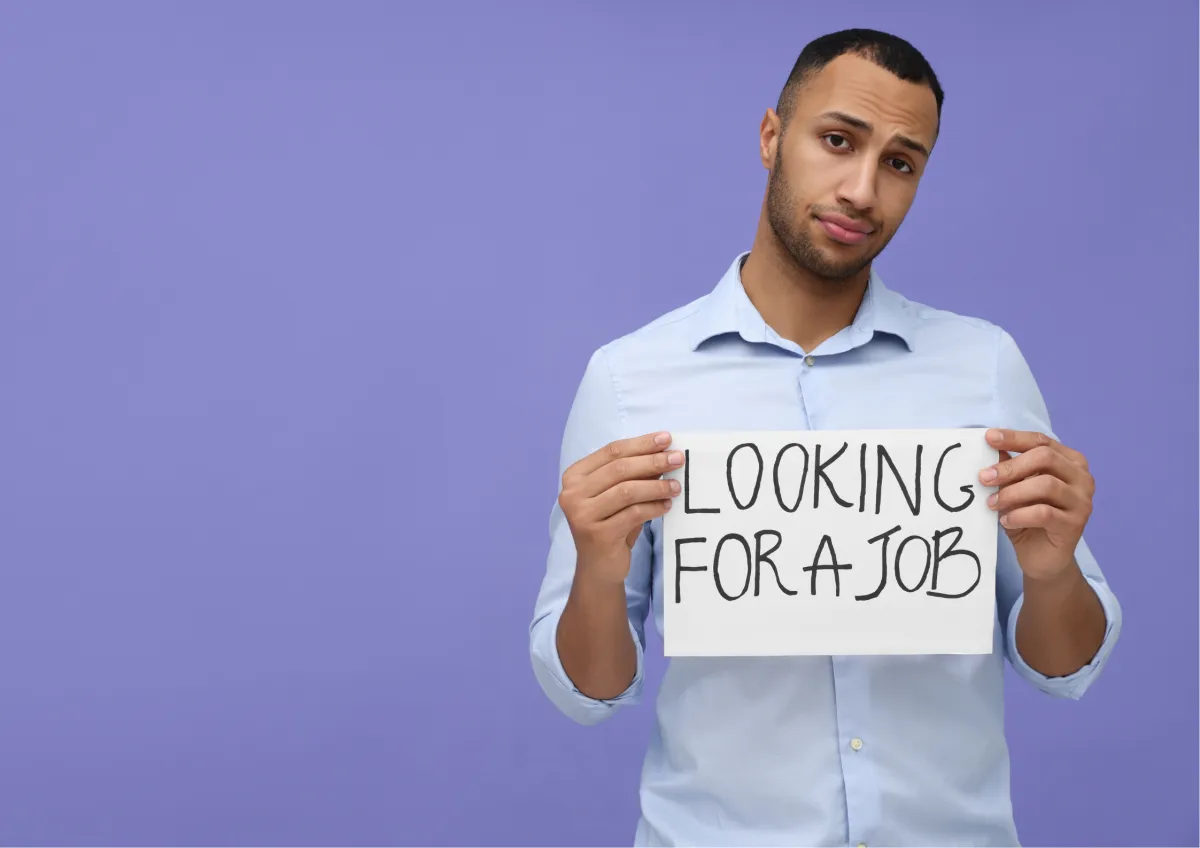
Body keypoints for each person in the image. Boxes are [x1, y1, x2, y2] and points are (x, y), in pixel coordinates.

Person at [527, 28, 1121, 848]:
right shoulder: (630, 380)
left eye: (901, 162)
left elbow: (1066, 668)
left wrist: (1053, 573)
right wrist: (598, 571)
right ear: (772, 136)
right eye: (837, 141)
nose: (862, 191)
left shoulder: (983, 366)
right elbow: (586, 691)